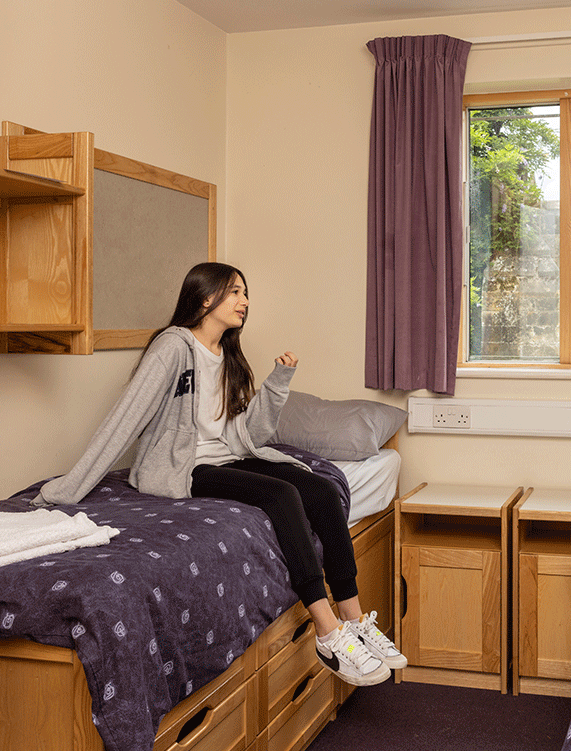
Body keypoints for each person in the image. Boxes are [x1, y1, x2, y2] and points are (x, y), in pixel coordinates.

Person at [33, 262, 405, 687]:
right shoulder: (173, 347)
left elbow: (247, 433)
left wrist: (278, 382)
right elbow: (124, 420)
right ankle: (327, 630)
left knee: (319, 489)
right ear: (206, 297)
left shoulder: (226, 353)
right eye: (235, 292)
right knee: (282, 495)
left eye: (246, 294)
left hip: (226, 457)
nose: (245, 302)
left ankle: (354, 619)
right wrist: (67, 490)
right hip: (183, 467)